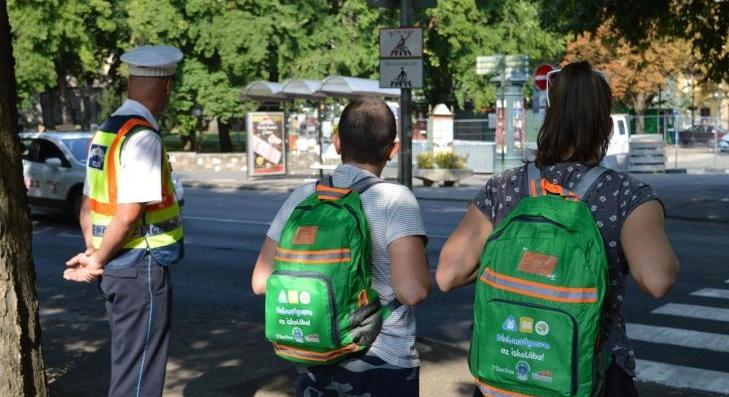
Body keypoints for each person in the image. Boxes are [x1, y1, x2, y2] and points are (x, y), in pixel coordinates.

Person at [436, 61, 678, 396]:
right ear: (606, 126)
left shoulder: (504, 188)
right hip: (592, 376)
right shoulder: (627, 197)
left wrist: (517, 266)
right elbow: (657, 280)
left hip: (508, 373)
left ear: (549, 117)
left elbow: (447, 275)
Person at [252, 97, 431, 397]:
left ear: (337, 143)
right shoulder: (396, 200)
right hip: (383, 360)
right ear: (393, 149)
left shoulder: (303, 196)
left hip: (314, 354)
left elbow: (260, 281)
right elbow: (412, 290)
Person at [64, 45, 184, 397]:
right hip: (141, 267)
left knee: (128, 366)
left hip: (118, 268)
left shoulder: (107, 131)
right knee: (140, 377)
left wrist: (94, 249)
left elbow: (89, 202)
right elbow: (130, 212)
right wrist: (96, 259)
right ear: (166, 86)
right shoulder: (143, 136)